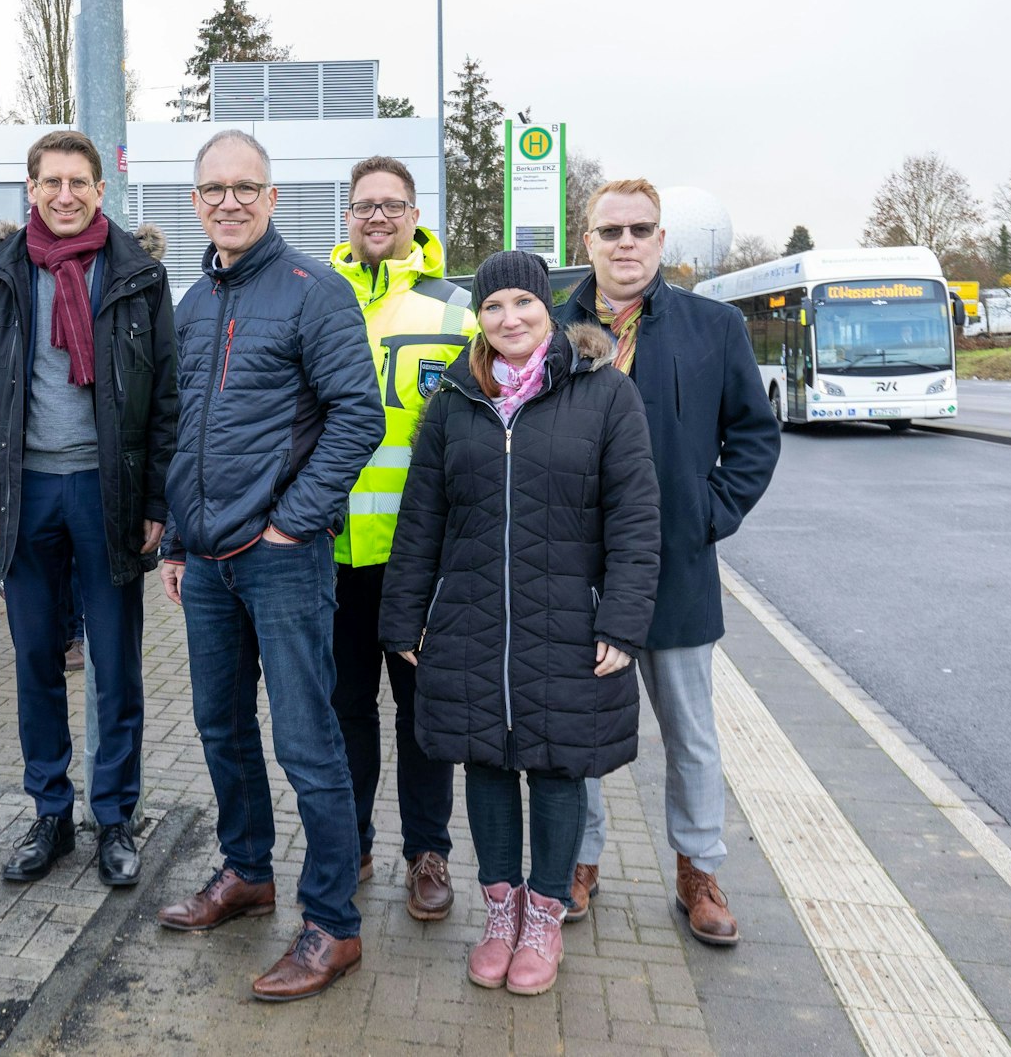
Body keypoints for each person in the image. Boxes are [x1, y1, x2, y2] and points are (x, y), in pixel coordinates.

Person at [382, 249, 660, 996]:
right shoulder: (454, 400)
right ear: (479, 317)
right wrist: (404, 617)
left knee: (560, 766)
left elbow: (636, 517)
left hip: (569, 618)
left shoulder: (605, 393)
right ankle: (500, 911)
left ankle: (544, 916)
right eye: (494, 306)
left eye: (523, 303)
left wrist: (623, 621)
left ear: (549, 310)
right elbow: (421, 518)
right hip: (471, 617)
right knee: (486, 763)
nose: (510, 319)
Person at [154, 130, 383, 1002]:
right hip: (208, 561)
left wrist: (293, 522)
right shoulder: (194, 302)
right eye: (214, 189)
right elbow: (184, 431)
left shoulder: (313, 291)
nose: (230, 201)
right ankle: (247, 871)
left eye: (245, 187)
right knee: (219, 725)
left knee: (307, 741)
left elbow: (357, 416)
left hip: (283, 559)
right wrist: (177, 539)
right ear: (196, 202)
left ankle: (332, 922)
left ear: (272, 197)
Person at [553, 179, 780, 944]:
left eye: (640, 229)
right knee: (578, 731)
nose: (625, 242)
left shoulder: (713, 327)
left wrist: (706, 516)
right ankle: (578, 861)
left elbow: (755, 437)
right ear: (587, 240)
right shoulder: (551, 328)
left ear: (659, 239)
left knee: (691, 733)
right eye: (610, 230)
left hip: (676, 569)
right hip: (578, 570)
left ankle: (698, 871)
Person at [0, 129, 178, 887]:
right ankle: (50, 812)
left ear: (99, 190)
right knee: (34, 661)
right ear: (30, 189)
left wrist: (156, 501)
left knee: (115, 664)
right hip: (24, 493)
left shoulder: (139, 275)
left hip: (106, 492)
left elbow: (166, 401)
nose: (64, 194)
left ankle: (114, 817)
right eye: (50, 181)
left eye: (78, 181)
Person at [325, 155, 476, 921]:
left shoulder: (458, 310)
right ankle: (349, 841)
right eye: (364, 205)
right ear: (347, 217)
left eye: (392, 204)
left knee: (423, 715)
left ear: (415, 216)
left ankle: (428, 853)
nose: (377, 216)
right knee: (345, 708)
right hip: (331, 551)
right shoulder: (316, 297)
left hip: (421, 557)